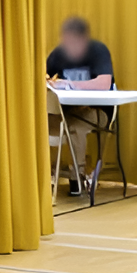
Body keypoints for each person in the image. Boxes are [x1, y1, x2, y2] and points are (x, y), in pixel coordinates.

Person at [45, 16, 114, 196]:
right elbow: (43, 74)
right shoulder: (59, 54)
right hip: (66, 112)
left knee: (74, 125)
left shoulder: (98, 51)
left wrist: (70, 84)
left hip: (96, 111)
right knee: (40, 122)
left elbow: (104, 83)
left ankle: (77, 177)